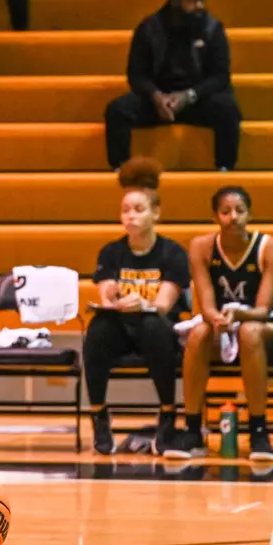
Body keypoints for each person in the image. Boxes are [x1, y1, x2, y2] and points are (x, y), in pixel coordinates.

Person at [168, 185, 273, 461]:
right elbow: (206, 303)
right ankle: (193, 430)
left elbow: (262, 309)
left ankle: (259, 431)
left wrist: (237, 315)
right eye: (226, 211)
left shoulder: (271, 247)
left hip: (259, 325)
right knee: (197, 333)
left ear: (250, 215)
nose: (233, 217)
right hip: (220, 324)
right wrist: (215, 317)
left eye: (240, 211)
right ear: (215, 217)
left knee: (249, 332)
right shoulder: (201, 246)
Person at [84, 158, 190, 457]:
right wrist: (113, 299)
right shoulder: (111, 252)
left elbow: (164, 304)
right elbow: (105, 299)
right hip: (121, 328)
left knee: (153, 324)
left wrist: (144, 303)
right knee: (98, 328)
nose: (130, 216)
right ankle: (99, 415)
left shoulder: (172, 253)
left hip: (157, 329)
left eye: (139, 210)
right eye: (125, 210)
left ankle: (168, 414)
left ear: (156, 213)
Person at [104, 0, 241, 173]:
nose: (200, 6)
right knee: (117, 110)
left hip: (197, 99)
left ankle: (225, 168)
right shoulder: (149, 28)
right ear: (175, 0)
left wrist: (189, 95)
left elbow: (220, 77)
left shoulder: (213, 29)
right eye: (193, 0)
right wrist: (156, 96)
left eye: (202, 0)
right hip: (158, 102)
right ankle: (120, 169)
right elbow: (136, 74)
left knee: (228, 109)